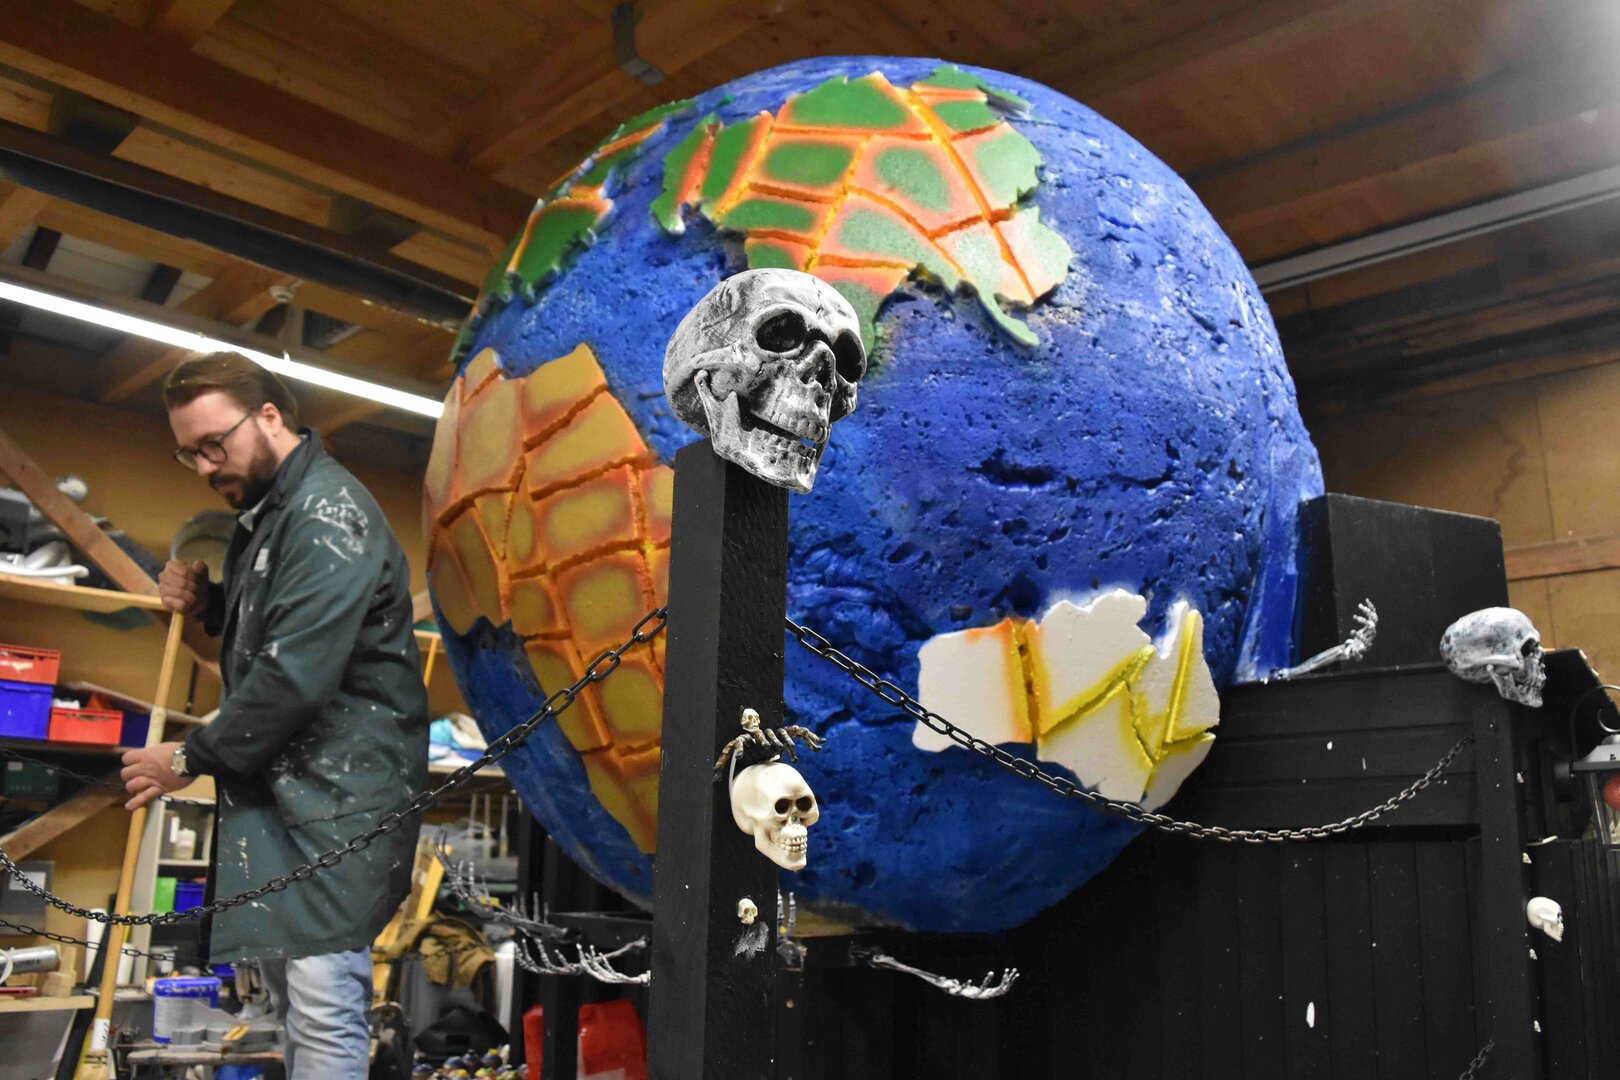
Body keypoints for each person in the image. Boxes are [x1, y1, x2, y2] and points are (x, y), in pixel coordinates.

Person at [120, 353, 429, 1078]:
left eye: (214, 444)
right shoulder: (268, 514)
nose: (204, 466)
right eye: (189, 452)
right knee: (295, 1011)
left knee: (322, 1016)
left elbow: (294, 676)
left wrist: (188, 758)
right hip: (293, 805)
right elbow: (279, 625)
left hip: (337, 810)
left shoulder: (326, 512)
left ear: (269, 417)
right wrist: (211, 603)